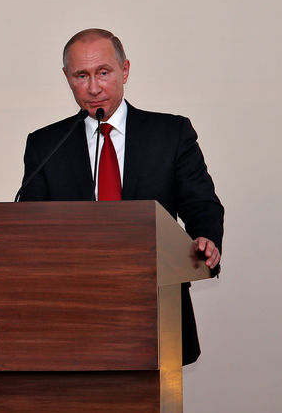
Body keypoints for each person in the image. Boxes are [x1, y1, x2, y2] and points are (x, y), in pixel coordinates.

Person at [19, 28, 223, 365]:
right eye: (81, 76)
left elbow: (201, 203)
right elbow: (29, 228)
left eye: (103, 72)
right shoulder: (45, 144)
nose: (94, 87)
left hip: (155, 307)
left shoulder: (171, 134)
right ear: (67, 78)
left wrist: (207, 239)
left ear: (124, 70)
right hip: (73, 316)